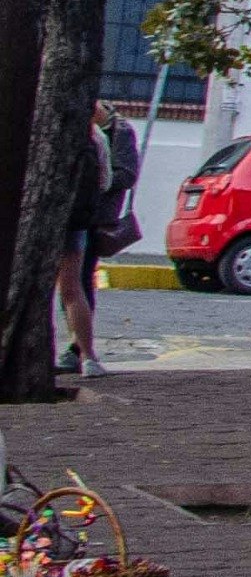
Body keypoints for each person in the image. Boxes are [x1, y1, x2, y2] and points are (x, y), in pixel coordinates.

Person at [51, 103, 141, 378]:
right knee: (73, 286)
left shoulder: (116, 132)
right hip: (81, 215)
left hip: (91, 217)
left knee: (76, 283)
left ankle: (80, 349)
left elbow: (124, 175)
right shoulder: (94, 135)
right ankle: (81, 351)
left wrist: (91, 189)